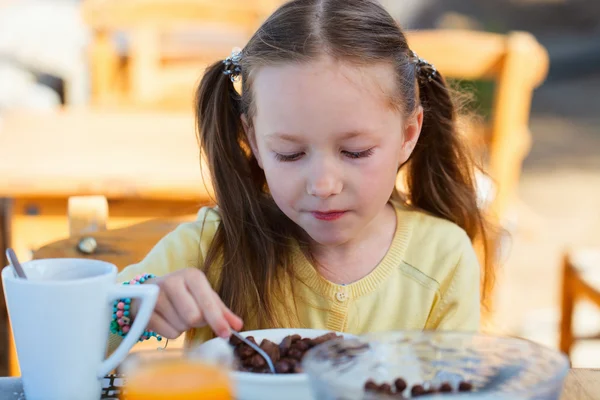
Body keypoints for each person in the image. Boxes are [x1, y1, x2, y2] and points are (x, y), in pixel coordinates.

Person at [109, 0, 493, 350]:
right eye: (289, 154)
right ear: (254, 142)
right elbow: (63, 336)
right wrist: (138, 307)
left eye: (355, 152)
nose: (323, 185)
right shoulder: (212, 245)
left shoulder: (442, 257)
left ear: (408, 135)